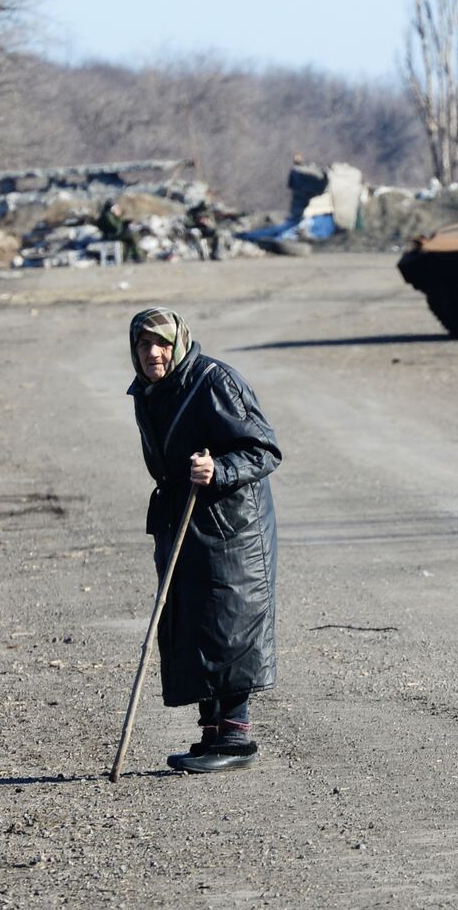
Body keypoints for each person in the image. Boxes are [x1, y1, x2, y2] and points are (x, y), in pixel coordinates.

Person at [127, 308, 283, 773]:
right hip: (188, 520)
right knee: (196, 621)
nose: (153, 352)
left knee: (228, 621)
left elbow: (263, 449)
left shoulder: (213, 381)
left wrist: (219, 470)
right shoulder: (151, 391)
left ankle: (236, 737)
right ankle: (212, 731)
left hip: (233, 525)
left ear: (179, 343)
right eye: (143, 344)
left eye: (162, 343)